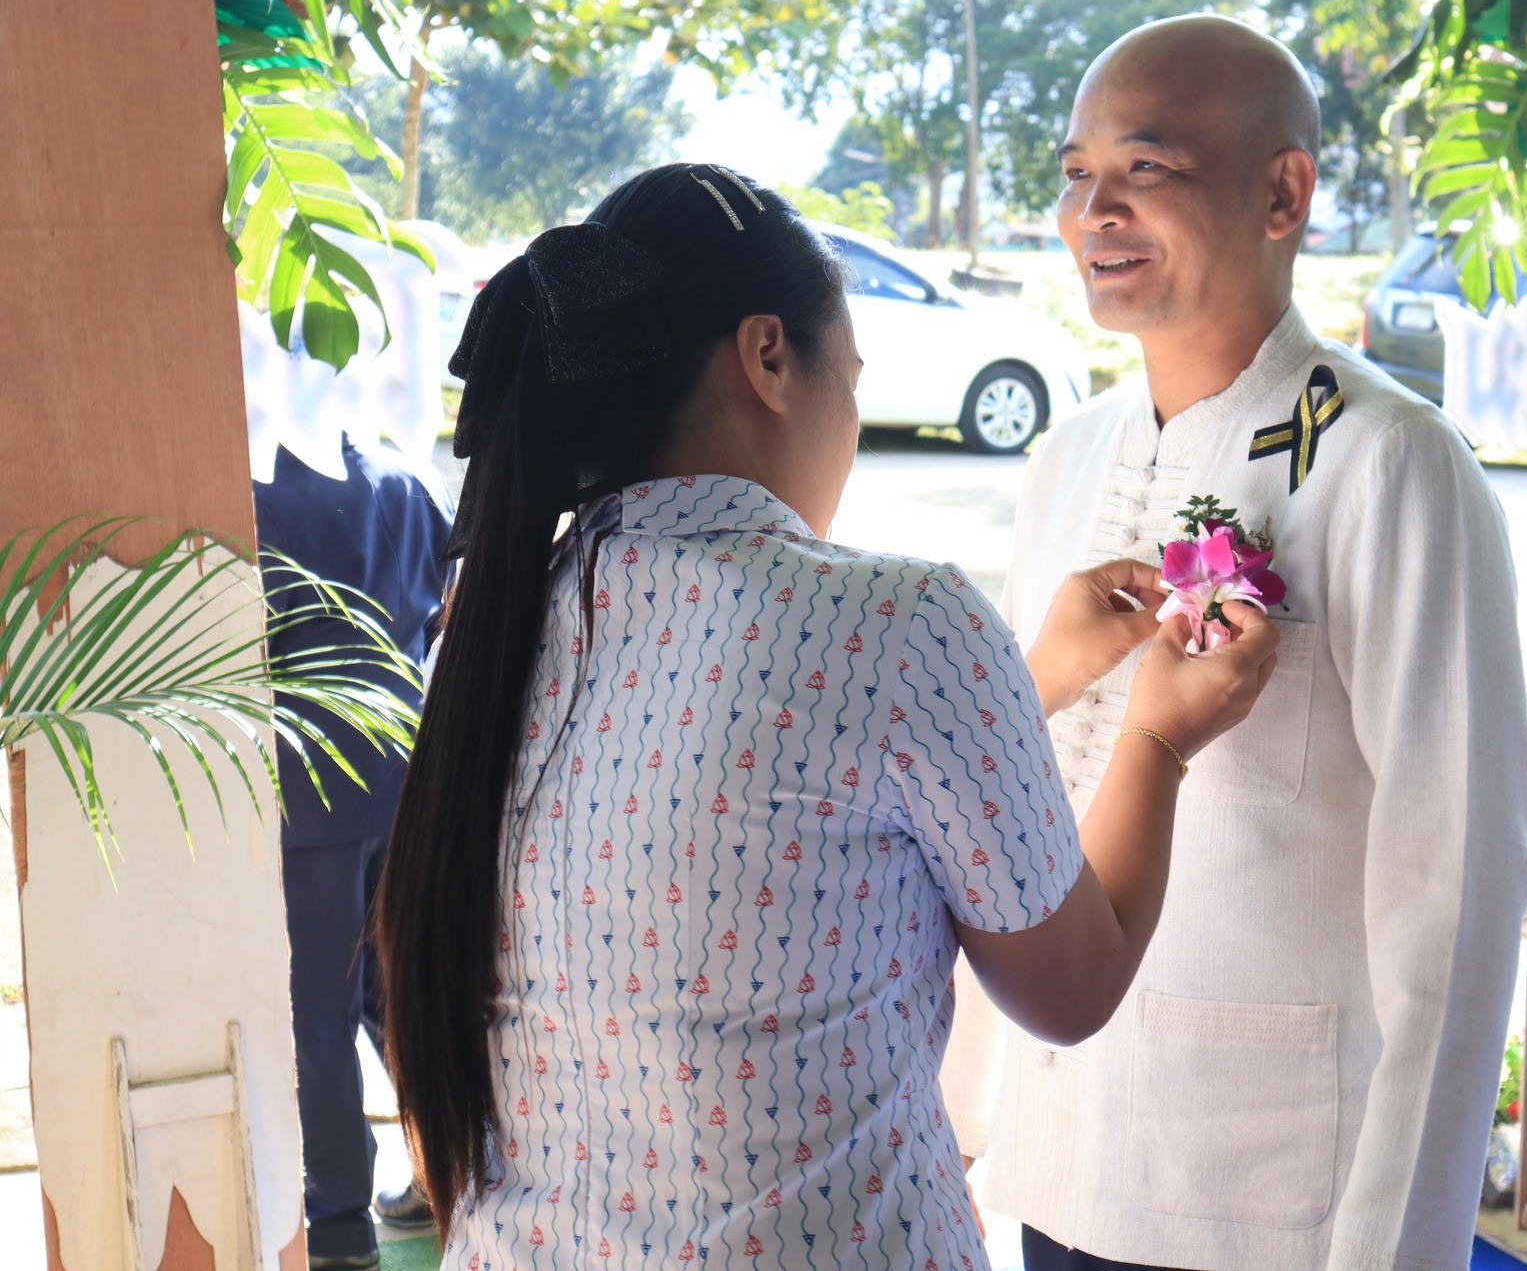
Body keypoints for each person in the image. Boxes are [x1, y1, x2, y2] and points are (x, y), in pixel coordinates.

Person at [370, 163, 1278, 1268]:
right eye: (848, 378)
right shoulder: (900, 621)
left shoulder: (503, 621)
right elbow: (1073, 985)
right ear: (767, 358)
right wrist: (1159, 738)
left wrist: (1027, 678)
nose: (850, 418)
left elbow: (784, 805)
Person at [946, 15, 1527, 1271]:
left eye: (1144, 167)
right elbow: (1013, 810)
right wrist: (963, 1115)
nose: (1092, 211)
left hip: (1269, 1187)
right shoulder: (1068, 455)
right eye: (1074, 172)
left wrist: (1392, 1245)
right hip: (1058, 1159)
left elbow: (1457, 890)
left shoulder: (1389, 462)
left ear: (1283, 194)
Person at [252, 437, 452, 1268]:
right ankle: (447, 1172)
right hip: (408, 772)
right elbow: (444, 604)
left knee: (319, 1014)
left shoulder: (255, 486)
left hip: (314, 792)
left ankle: (337, 1219)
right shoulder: (404, 473)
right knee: (399, 990)